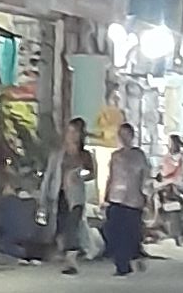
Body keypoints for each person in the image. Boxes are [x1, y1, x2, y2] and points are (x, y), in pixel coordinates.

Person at [37, 118, 95, 274]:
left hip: (76, 197)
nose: (71, 135)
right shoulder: (58, 155)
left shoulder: (84, 155)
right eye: (69, 131)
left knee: (72, 226)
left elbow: (92, 173)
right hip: (60, 194)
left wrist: (79, 175)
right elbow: (48, 177)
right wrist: (43, 200)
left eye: (75, 132)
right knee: (61, 227)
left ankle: (71, 261)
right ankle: (67, 254)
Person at [103, 122, 150, 276]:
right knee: (114, 231)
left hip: (133, 199)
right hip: (116, 197)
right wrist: (106, 196)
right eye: (121, 135)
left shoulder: (139, 156)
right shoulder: (116, 156)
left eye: (126, 134)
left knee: (130, 233)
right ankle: (122, 263)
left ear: (132, 136)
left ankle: (128, 261)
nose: (123, 138)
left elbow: (145, 177)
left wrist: (146, 196)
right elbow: (111, 176)